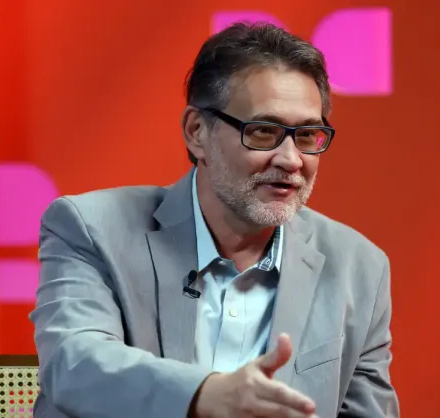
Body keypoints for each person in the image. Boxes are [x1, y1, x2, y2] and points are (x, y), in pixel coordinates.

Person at [30, 22, 399, 418]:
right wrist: (203, 395)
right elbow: (75, 364)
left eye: (307, 135)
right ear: (197, 132)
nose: (291, 160)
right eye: (263, 131)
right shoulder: (93, 228)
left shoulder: (359, 268)